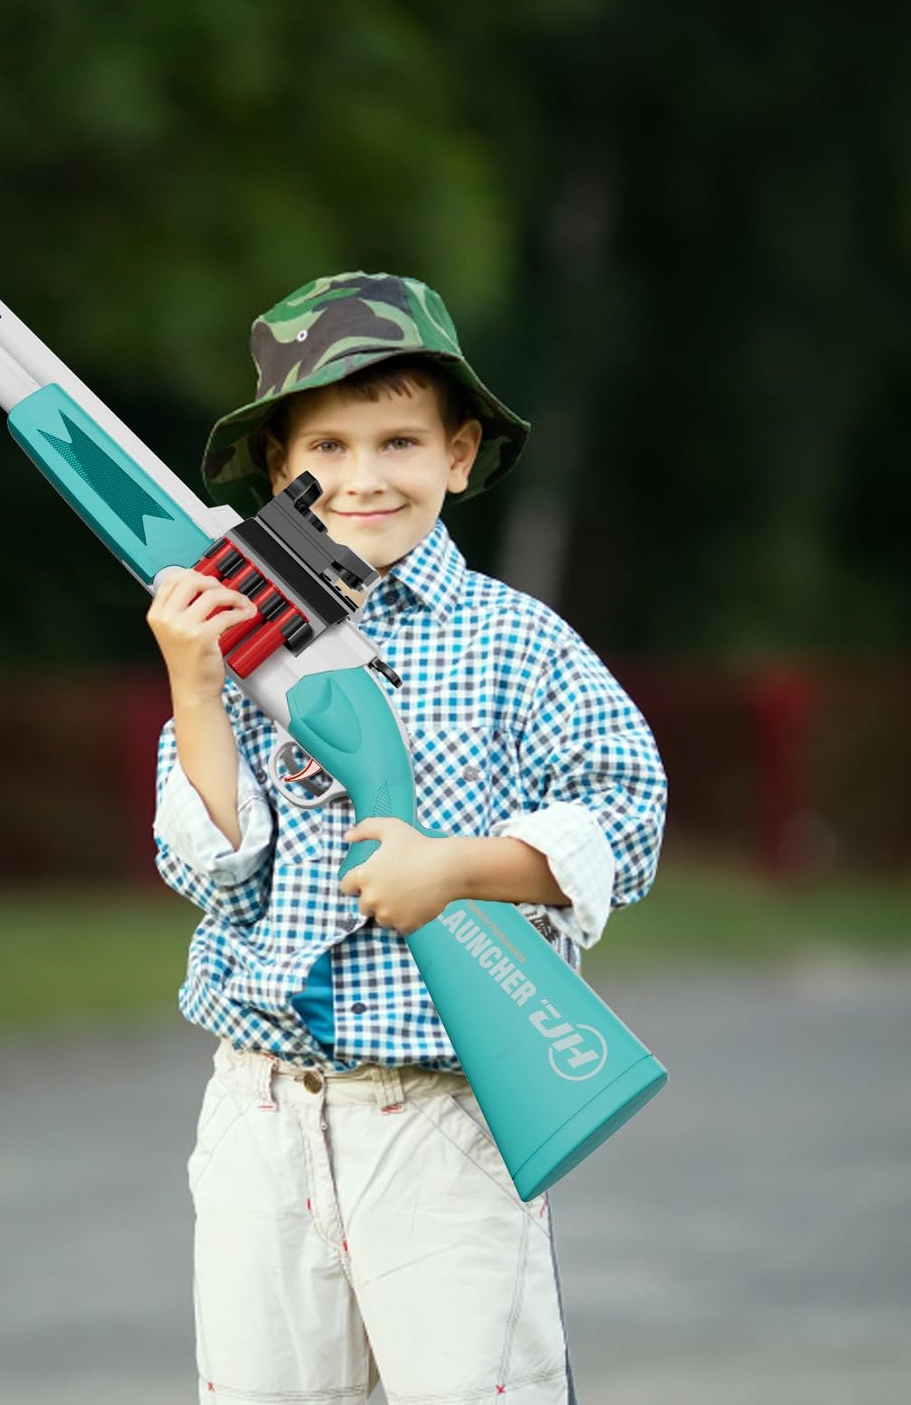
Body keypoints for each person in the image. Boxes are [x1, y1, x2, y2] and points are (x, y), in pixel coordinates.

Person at [146, 272, 667, 1405]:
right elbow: (210, 872)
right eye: (324, 447)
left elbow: (625, 814)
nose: (362, 476)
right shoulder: (241, 635)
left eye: (398, 439)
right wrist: (194, 675)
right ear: (279, 468)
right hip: (262, 1109)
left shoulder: (513, 641)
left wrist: (455, 868)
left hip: (440, 1116)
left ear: (460, 453)